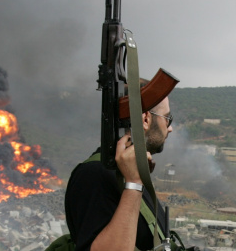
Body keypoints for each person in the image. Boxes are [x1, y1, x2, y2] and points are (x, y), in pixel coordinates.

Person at [64, 94, 174, 251]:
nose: (170, 128)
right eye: (167, 118)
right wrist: (134, 184)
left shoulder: (126, 173)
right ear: (145, 119)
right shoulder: (95, 175)